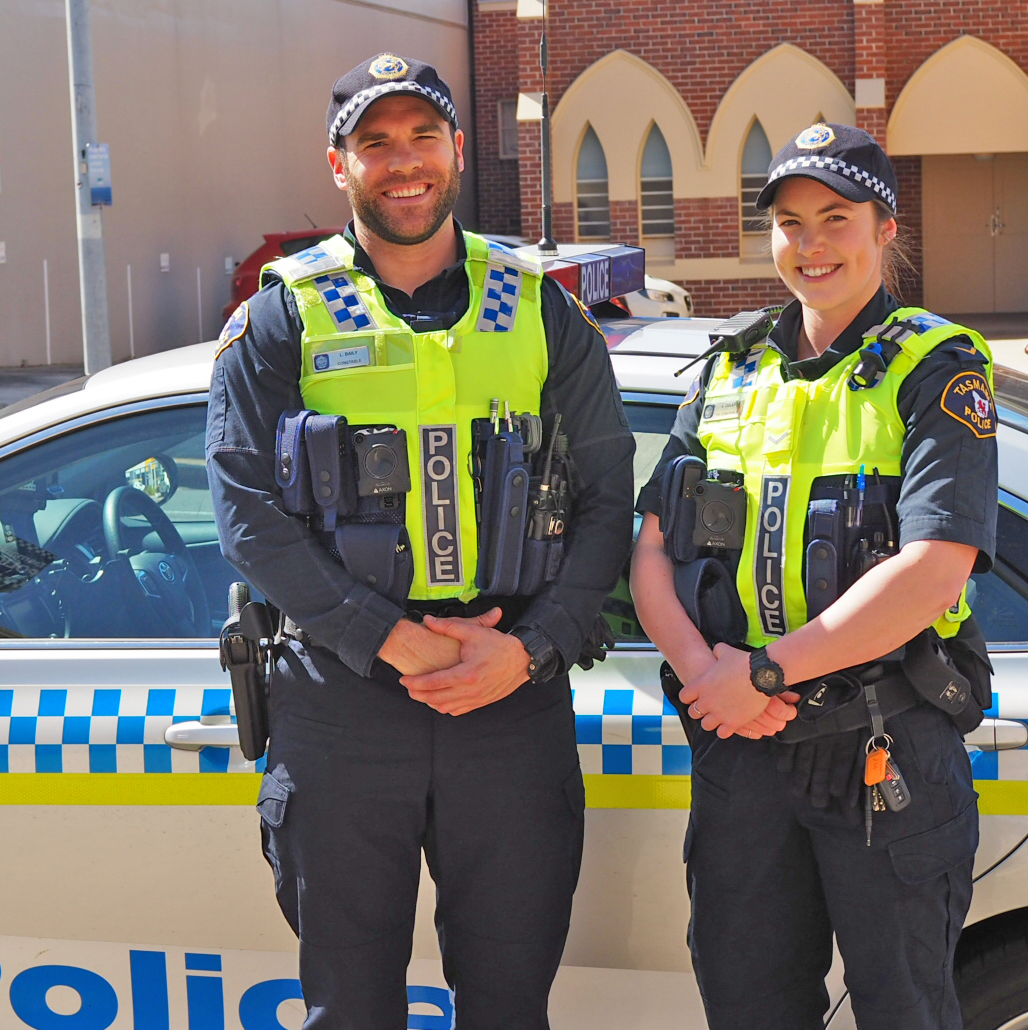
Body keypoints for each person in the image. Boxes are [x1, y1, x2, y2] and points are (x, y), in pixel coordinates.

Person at [206, 53, 635, 1030]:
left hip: (508, 702)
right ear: (338, 164)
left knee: (508, 1006)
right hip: (343, 704)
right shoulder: (279, 317)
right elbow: (243, 513)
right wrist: (387, 636)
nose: (402, 163)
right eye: (374, 143)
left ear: (453, 150)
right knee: (349, 1011)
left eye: (420, 137)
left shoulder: (541, 308)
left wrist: (527, 651)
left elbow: (610, 500)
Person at [630, 123, 998, 1030]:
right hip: (741, 755)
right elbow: (650, 552)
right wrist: (708, 679)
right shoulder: (727, 369)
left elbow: (933, 570)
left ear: (886, 229)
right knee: (748, 1007)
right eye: (791, 222)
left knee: (906, 1009)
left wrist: (759, 673)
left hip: (884, 747)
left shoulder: (936, 367)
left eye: (837, 218)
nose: (812, 243)